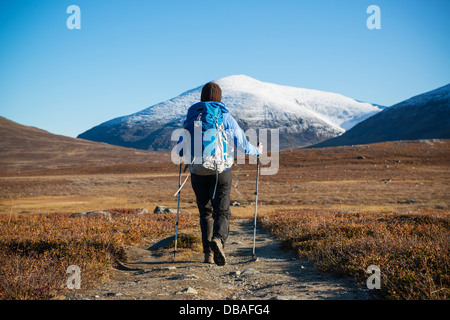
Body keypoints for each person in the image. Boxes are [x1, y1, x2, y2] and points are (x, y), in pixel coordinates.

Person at [177, 82, 262, 266]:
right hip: (221, 171)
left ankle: (207, 254)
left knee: (205, 212)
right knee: (222, 211)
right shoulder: (225, 116)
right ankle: (218, 240)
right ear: (220, 98)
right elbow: (243, 145)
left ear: (202, 97)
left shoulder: (192, 116)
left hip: (197, 171)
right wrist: (258, 151)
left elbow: (180, 149)